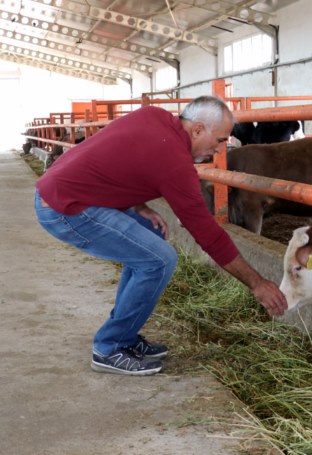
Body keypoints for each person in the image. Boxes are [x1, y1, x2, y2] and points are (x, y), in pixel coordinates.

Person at [34, 96, 288, 376]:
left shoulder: (154, 116)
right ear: (198, 130)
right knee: (159, 260)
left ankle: (125, 335)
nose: (219, 150)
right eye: (219, 140)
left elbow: (115, 159)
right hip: (64, 208)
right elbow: (208, 235)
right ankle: (110, 347)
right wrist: (257, 283)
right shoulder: (175, 163)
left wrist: (139, 205)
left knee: (149, 234)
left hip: (68, 193)